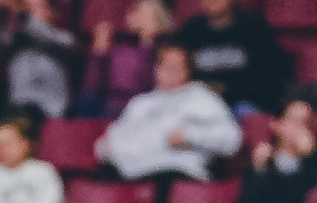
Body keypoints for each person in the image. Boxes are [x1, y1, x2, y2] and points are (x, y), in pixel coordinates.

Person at [95, 42, 242, 181]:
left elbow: (232, 140)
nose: (171, 71)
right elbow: (106, 144)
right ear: (156, 69)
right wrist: (107, 147)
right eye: (166, 65)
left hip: (178, 172)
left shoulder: (202, 98)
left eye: (177, 66)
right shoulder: (141, 103)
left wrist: (190, 136)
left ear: (188, 70)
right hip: (134, 174)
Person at [175, 0, 288, 115]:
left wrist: (225, 90)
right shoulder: (188, 32)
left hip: (242, 104)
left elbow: (269, 81)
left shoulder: (256, 29)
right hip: (197, 105)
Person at [0, 0, 78, 117]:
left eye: (37, 7)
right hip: (19, 108)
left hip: (53, 110)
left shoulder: (65, 38)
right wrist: (0, 10)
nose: (31, 13)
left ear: (51, 11)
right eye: (28, 7)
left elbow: (42, 32)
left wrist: (22, 15)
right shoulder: (12, 43)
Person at [78, 0, 167, 119]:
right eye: (134, 11)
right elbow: (93, 84)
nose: (133, 15)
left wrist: (148, 41)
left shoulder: (163, 51)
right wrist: (99, 54)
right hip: (110, 105)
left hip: (143, 106)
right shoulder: (119, 49)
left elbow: (151, 83)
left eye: (141, 12)